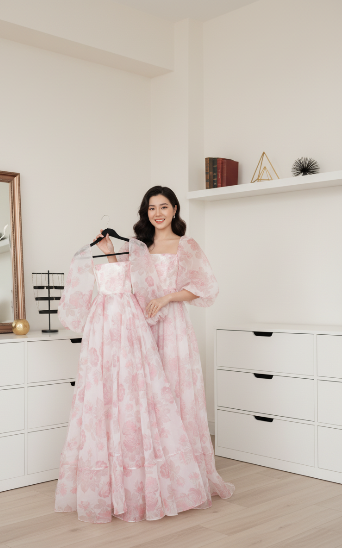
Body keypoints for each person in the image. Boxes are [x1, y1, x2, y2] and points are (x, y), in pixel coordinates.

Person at [95, 186, 234, 506]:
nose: (157, 213)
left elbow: (204, 287)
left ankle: (180, 478)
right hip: (140, 328)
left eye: (163, 207)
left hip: (173, 329)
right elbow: (122, 285)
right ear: (145, 212)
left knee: (174, 393)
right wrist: (109, 253)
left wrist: (167, 297)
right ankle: (147, 478)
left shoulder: (186, 245)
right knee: (142, 398)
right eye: (151, 208)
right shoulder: (137, 247)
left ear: (174, 209)